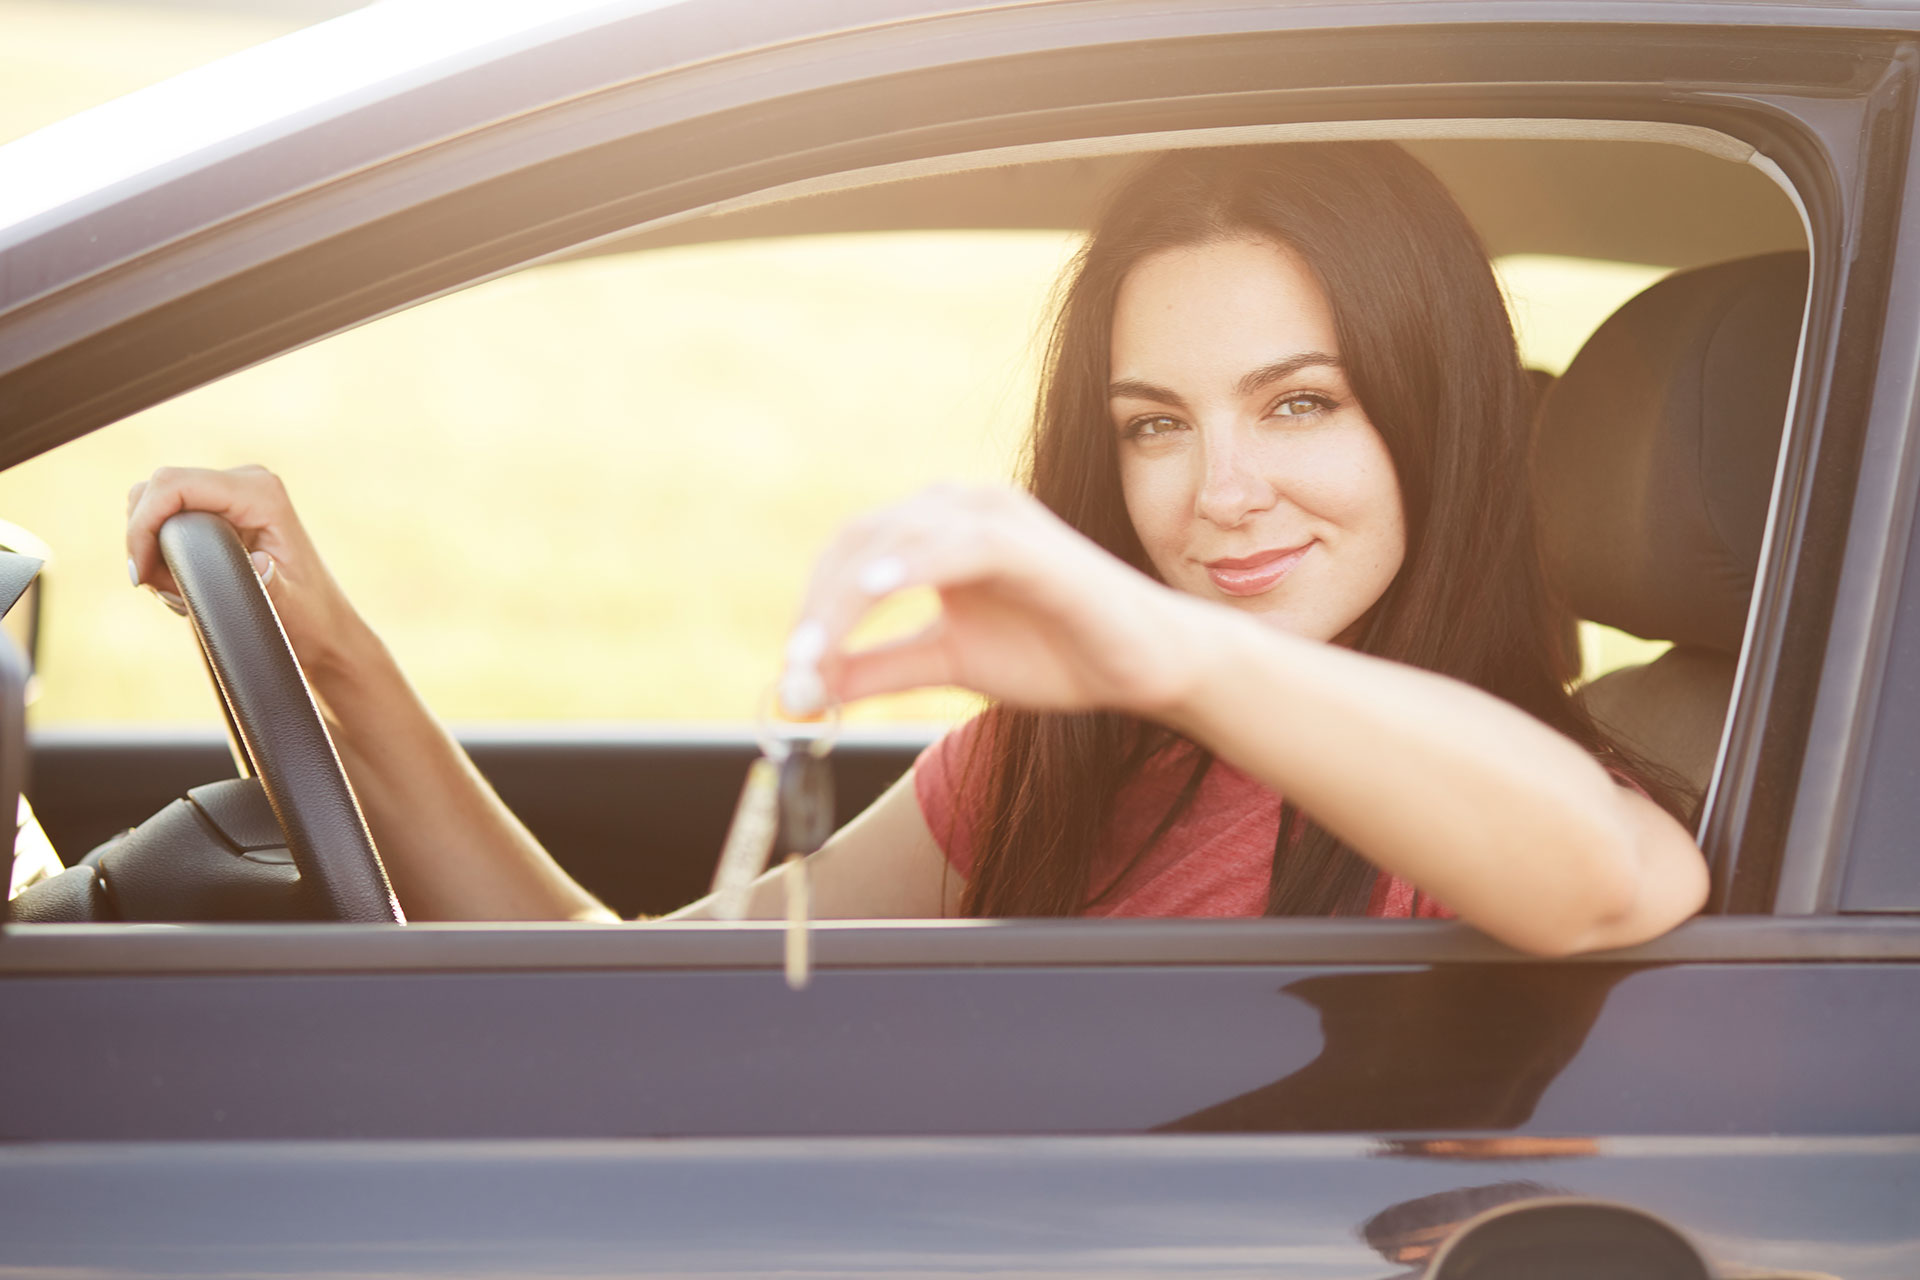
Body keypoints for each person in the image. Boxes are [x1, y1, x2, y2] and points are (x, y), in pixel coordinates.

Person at [124, 142, 1709, 955]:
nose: (1218, 491)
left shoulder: (1502, 799)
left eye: (1300, 404)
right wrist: (340, 669)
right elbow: (639, 1000)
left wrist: (1171, 648)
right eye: (1154, 425)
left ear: (1437, 417)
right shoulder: (1068, 758)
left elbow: (1618, 884)